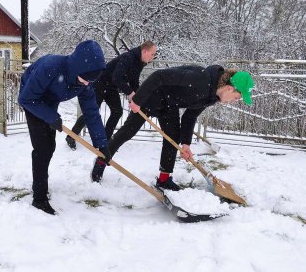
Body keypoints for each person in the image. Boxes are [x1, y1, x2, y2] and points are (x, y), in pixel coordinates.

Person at [89, 65, 254, 189]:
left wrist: (186, 144)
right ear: (229, 88)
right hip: (152, 97)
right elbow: (159, 76)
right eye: (237, 97)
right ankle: (101, 161)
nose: (235, 100)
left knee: (172, 139)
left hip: (169, 104)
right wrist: (138, 100)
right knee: (128, 131)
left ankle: (163, 180)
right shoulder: (200, 79)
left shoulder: (212, 95)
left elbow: (190, 116)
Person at [19, 40, 112, 215]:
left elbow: (91, 112)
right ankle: (39, 198)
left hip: (50, 101)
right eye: (85, 79)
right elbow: (26, 98)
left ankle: (42, 185)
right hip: (32, 99)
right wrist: (51, 117)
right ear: (77, 68)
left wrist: (102, 143)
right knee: (42, 148)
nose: (87, 84)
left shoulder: (85, 81)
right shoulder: (50, 67)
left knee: (50, 146)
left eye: (90, 80)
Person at [65, 40, 157, 149]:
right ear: (145, 51)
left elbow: (133, 81)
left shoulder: (139, 62)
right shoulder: (128, 57)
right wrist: (130, 92)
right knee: (91, 111)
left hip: (111, 87)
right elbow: (116, 77)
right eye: (152, 54)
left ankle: (106, 140)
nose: (153, 57)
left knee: (117, 111)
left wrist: (137, 97)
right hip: (100, 84)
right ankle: (71, 136)